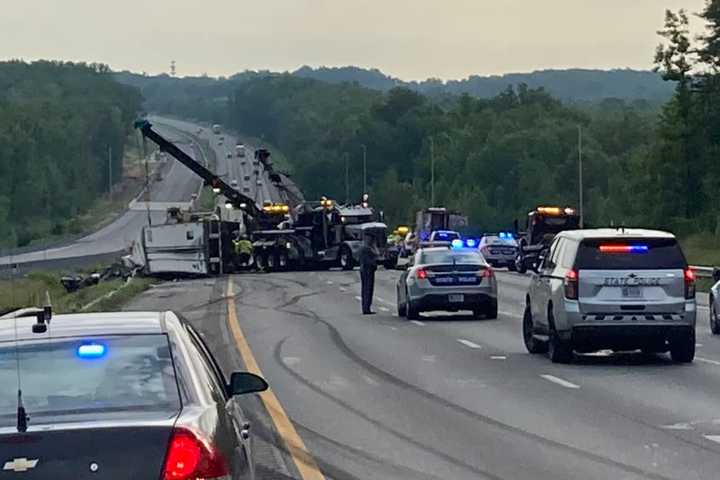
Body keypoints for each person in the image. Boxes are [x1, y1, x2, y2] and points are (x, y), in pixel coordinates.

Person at [358, 236, 378, 315]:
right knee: (368, 289)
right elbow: (375, 256)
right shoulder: (367, 249)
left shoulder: (364, 248)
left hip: (365, 270)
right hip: (368, 270)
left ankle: (366, 307)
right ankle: (366, 308)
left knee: (366, 289)